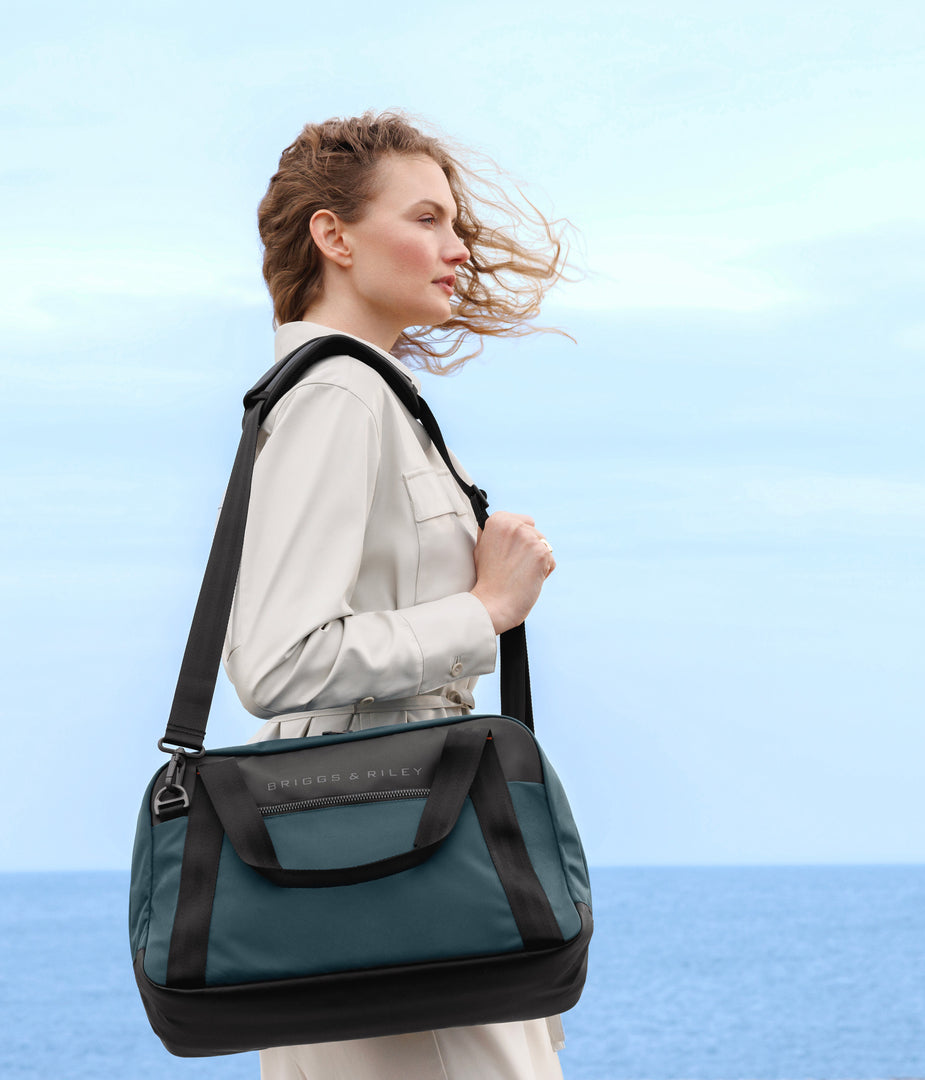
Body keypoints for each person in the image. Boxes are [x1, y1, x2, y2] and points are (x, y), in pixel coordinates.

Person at [222, 112, 573, 1080]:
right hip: (385, 833)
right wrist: (487, 611)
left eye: (457, 223)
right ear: (334, 237)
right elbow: (277, 656)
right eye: (426, 219)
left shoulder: (367, 394)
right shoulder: (337, 393)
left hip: (375, 834)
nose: (457, 249)